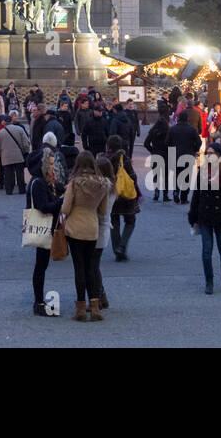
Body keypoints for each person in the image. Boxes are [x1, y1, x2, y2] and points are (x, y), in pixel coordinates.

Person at [60, 152, 111, 321]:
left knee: (79, 268)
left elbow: (66, 208)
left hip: (75, 229)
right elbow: (103, 211)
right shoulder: (103, 184)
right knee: (91, 268)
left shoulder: (75, 183)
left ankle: (81, 308)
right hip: (92, 228)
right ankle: (95, 307)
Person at [188, 142, 221, 294]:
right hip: (205, 216)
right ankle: (209, 282)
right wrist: (192, 215)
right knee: (206, 251)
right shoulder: (202, 171)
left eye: (212, 153)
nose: (209, 156)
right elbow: (197, 195)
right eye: (207, 153)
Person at [25, 147, 63, 317]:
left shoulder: (44, 181)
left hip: (47, 227)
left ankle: (39, 301)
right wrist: (59, 203)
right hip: (43, 227)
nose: (53, 168)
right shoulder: (39, 183)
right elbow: (42, 207)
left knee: (42, 265)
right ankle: (39, 302)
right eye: (51, 164)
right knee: (40, 266)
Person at [105, 135, 141, 261]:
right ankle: (122, 246)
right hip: (125, 195)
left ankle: (117, 249)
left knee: (114, 222)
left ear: (108, 146)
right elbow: (133, 176)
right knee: (130, 221)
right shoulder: (123, 158)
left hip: (111, 195)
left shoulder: (104, 159)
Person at [92, 156, 116, 310]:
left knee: (93, 266)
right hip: (104, 229)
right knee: (95, 266)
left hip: (99, 229)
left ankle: (99, 297)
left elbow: (102, 213)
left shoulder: (105, 189)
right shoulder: (111, 187)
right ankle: (101, 296)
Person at [168, 109, 202, 204]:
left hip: (176, 155)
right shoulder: (192, 129)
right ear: (187, 118)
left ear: (178, 118)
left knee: (177, 175)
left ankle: (176, 191)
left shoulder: (173, 129)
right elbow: (199, 142)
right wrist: (195, 150)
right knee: (187, 176)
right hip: (188, 154)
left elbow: (167, 142)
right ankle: (183, 197)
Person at [0, 111, 30, 194]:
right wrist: (25, 152)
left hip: (6, 157)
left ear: (5, 123)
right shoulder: (19, 129)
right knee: (20, 174)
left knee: (8, 174)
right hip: (18, 156)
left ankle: (9, 190)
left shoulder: (1, 132)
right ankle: (22, 189)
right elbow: (26, 143)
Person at [143, 114, 171, 201]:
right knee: (166, 176)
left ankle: (156, 193)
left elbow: (146, 143)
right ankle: (165, 195)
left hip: (156, 155)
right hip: (166, 156)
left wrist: (152, 150)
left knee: (156, 175)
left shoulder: (153, 132)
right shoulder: (168, 132)